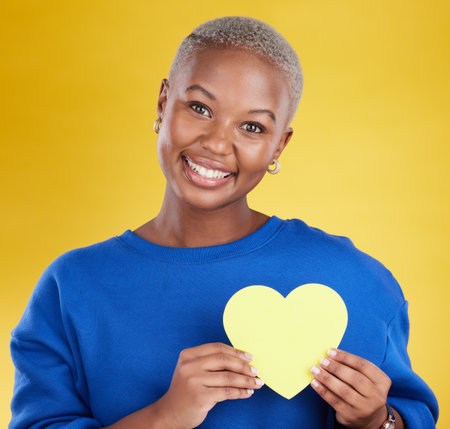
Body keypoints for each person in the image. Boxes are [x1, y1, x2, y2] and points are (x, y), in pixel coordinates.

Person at [9, 16, 438, 429]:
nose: (216, 143)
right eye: (199, 107)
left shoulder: (354, 280)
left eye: (252, 126)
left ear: (278, 146)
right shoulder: (73, 287)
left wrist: (375, 422)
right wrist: (166, 417)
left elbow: (406, 417)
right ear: (163, 102)